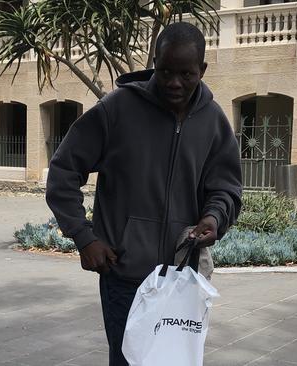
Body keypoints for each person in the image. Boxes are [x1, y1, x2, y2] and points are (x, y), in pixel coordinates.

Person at [46, 22, 242, 366]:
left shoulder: (212, 120)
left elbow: (225, 186)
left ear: (203, 70)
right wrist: (84, 237)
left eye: (186, 73)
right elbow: (63, 171)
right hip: (124, 274)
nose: (174, 82)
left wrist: (214, 217)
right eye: (165, 71)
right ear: (154, 61)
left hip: (183, 278)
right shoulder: (117, 109)